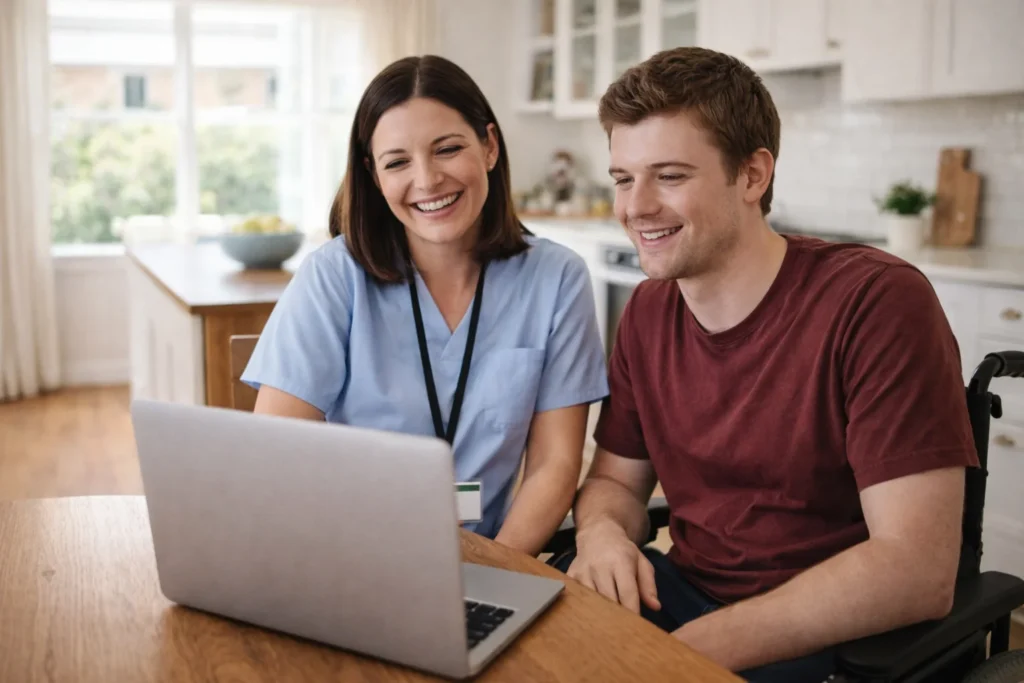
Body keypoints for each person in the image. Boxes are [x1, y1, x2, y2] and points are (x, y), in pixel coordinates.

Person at [558, 47, 979, 682]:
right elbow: (616, 484)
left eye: (669, 176)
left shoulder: (878, 302)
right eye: (623, 178)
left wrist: (680, 657)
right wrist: (603, 538)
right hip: (686, 602)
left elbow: (915, 569)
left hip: (831, 639)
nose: (635, 207)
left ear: (753, 176)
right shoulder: (648, 313)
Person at [241, 55, 608, 557]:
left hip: (499, 556)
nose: (428, 180)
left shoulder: (558, 279)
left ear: (490, 146)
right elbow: (279, 454)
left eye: (448, 149)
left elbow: (555, 465)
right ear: (374, 175)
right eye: (397, 162)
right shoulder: (334, 276)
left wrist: (500, 575)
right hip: (353, 558)